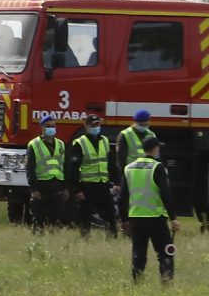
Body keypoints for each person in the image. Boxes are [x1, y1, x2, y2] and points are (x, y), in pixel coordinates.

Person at [119, 130, 178, 284]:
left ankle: (137, 283)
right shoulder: (157, 167)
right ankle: (166, 283)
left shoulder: (129, 168)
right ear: (154, 149)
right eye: (158, 148)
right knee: (165, 252)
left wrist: (124, 220)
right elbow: (166, 194)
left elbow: (122, 197)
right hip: (155, 218)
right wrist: (173, 218)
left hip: (136, 219)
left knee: (138, 253)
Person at [70, 115, 115, 238]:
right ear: (86, 126)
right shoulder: (79, 143)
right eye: (93, 125)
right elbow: (73, 169)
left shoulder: (105, 141)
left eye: (98, 124)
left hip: (103, 184)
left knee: (110, 214)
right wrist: (77, 189)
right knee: (86, 215)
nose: (96, 127)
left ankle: (112, 238)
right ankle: (85, 239)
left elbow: (111, 163)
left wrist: (116, 182)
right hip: (87, 185)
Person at [24, 123, 67, 232]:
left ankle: (53, 240)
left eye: (53, 126)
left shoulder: (61, 144)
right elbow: (30, 168)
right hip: (41, 184)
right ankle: (38, 239)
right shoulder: (34, 144)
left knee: (55, 216)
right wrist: (34, 189)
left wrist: (66, 187)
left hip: (57, 184)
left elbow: (64, 165)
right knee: (39, 216)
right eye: (48, 126)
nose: (51, 128)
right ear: (42, 128)